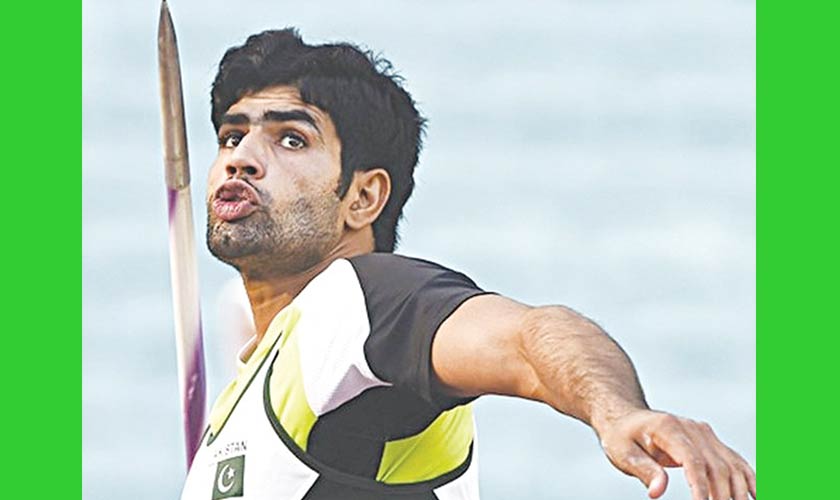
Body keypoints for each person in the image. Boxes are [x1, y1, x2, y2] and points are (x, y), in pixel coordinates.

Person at [180, 28, 756, 500]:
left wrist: (617, 411)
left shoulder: (357, 299)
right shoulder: (261, 376)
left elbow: (528, 337)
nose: (241, 159)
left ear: (364, 197)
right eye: (231, 136)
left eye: (291, 140)